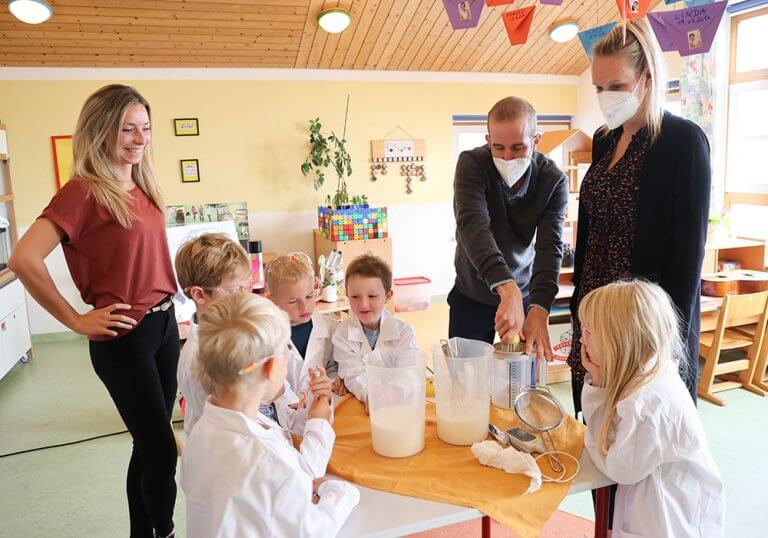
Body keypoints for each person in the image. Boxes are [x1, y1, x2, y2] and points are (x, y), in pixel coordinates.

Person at [9, 84, 179, 537]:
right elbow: (23, 259)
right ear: (101, 130)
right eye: (127, 128)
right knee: (162, 452)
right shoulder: (83, 191)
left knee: (147, 447)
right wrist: (74, 319)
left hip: (164, 325)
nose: (139, 138)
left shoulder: (142, 184)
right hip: (126, 336)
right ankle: (165, 533)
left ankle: (142, 532)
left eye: (145, 128)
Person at [568, 19, 711, 416]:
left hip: (640, 329)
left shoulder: (682, 143)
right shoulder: (604, 139)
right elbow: (591, 229)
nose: (605, 97)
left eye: (616, 87)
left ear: (647, 78)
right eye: (598, 87)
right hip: (594, 314)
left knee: (636, 445)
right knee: (598, 437)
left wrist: (666, 352)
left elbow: (686, 261)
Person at [180, 294, 359, 537]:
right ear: (271, 367)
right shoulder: (269, 462)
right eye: (286, 349)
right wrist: (339, 492)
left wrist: (312, 417)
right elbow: (315, 530)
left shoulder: (203, 431)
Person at [579, 280, 724, 537]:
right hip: (663, 509)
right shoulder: (649, 376)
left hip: (666, 521)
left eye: (590, 331)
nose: (582, 339)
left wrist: (598, 388)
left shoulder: (648, 402)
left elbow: (618, 468)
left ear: (619, 338)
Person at [175, 234, 330, 436]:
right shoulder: (201, 358)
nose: (247, 296)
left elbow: (282, 398)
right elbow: (244, 430)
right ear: (200, 294)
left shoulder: (235, 332)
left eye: (248, 287)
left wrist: (304, 402)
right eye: (237, 289)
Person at [451, 96, 568, 361]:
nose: (507, 156)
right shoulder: (472, 164)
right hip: (472, 294)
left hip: (524, 294)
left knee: (522, 379)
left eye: (517, 148)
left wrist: (540, 306)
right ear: (488, 139)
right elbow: (473, 226)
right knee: (464, 378)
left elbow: (550, 247)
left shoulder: (553, 180)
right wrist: (505, 286)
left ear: (536, 141)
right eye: (498, 147)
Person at [266, 252, 341, 427]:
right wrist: (295, 405)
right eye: (293, 301)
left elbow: (335, 367)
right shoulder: (266, 338)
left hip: (322, 412)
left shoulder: (330, 328)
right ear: (273, 302)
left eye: (309, 297)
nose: (304, 306)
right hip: (280, 420)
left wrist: (329, 382)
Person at [333, 254, 419, 406]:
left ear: (387, 296)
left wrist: (388, 396)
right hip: (363, 401)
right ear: (347, 295)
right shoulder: (342, 334)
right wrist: (370, 397)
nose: (363, 304)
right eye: (355, 296)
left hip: (398, 401)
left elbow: (408, 373)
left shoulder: (404, 332)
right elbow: (352, 374)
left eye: (372, 296)